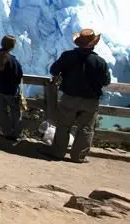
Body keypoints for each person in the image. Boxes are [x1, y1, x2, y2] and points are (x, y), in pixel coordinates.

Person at [42, 29, 111, 163]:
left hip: (70, 98)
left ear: (78, 43)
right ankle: (78, 156)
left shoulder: (68, 56)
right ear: (94, 44)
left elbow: (53, 70)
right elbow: (106, 81)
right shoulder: (100, 62)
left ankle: (58, 153)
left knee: (63, 126)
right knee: (86, 128)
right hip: (91, 101)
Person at [0, 35, 24, 141]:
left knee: (2, 111)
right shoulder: (13, 61)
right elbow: (19, 76)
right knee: (15, 112)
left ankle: (6, 132)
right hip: (10, 91)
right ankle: (16, 134)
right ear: (12, 47)